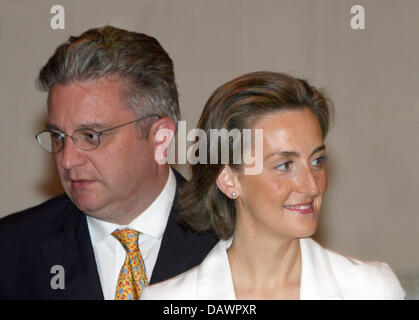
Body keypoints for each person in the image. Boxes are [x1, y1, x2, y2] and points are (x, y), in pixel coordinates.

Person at [140, 71, 406, 300]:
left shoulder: (371, 289)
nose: (311, 186)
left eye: (317, 160)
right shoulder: (169, 299)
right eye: (285, 165)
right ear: (229, 179)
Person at [0, 26, 217, 300]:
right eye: (58, 137)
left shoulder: (235, 239)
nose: (67, 160)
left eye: (91, 136)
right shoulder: (12, 250)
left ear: (160, 138)